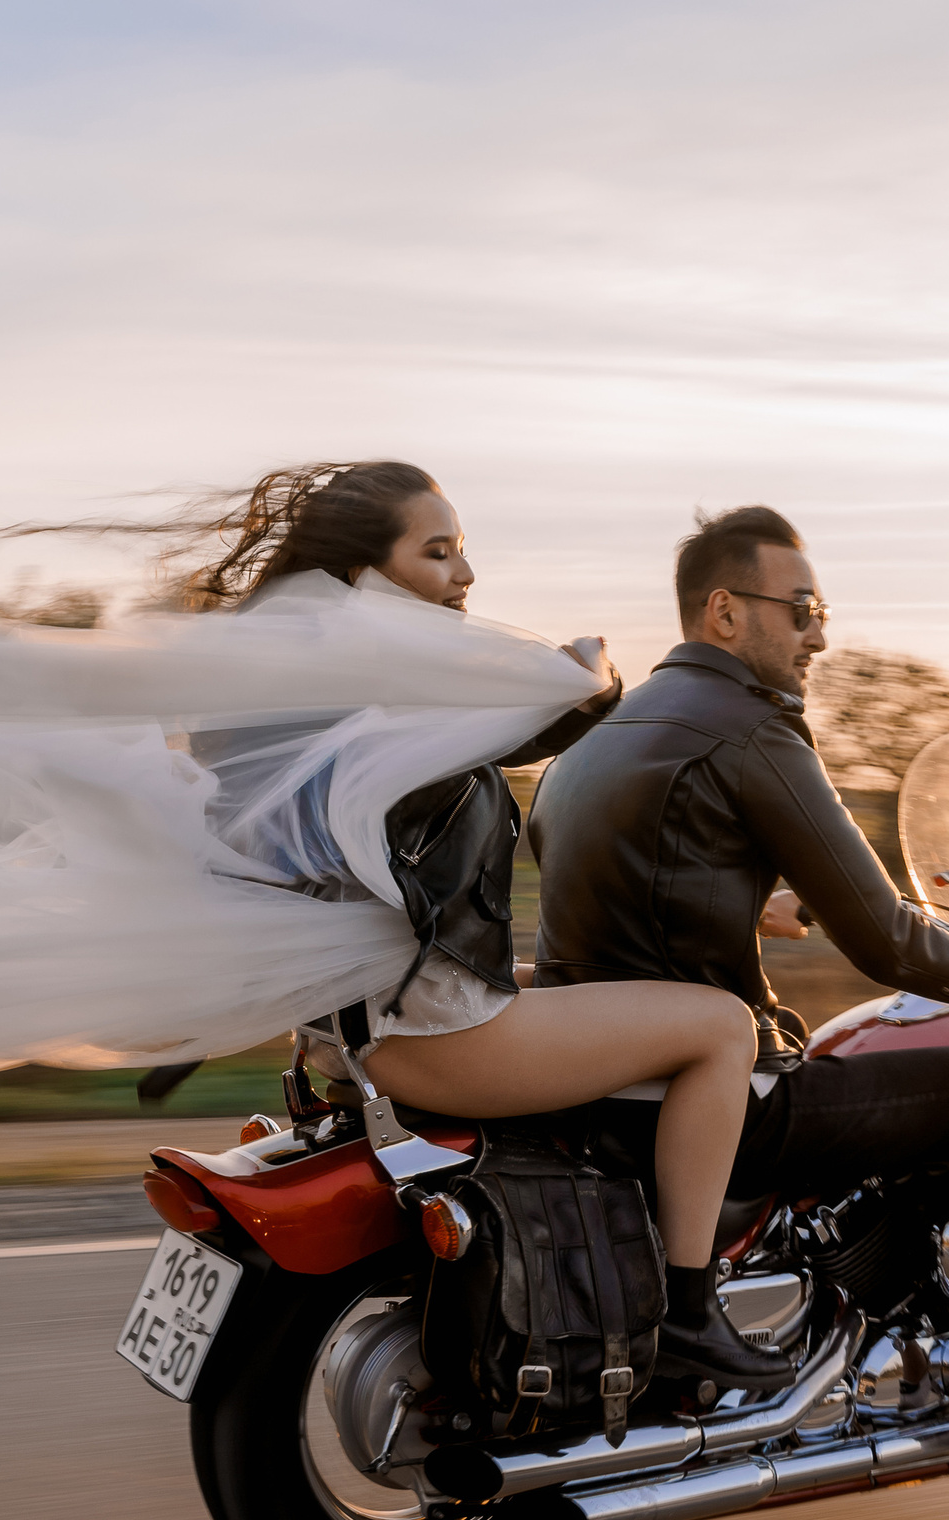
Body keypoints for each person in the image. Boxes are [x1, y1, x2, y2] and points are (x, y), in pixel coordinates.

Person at [524, 504, 949, 1469]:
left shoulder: (605, 731)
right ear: (725, 612)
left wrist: (735, 902)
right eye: (805, 607)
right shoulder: (753, 729)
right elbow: (889, 941)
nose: (822, 631)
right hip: (714, 1098)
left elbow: (602, 878)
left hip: (595, 1078)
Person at [164, 463, 789, 1389]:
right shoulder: (391, 706)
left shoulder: (333, 709)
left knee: (598, 981)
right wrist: (589, 680)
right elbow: (545, 717)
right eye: (439, 551)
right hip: (438, 1036)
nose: (465, 576)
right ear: (367, 578)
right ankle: (691, 1312)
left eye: (464, 551)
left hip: (362, 1029)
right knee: (719, 1025)